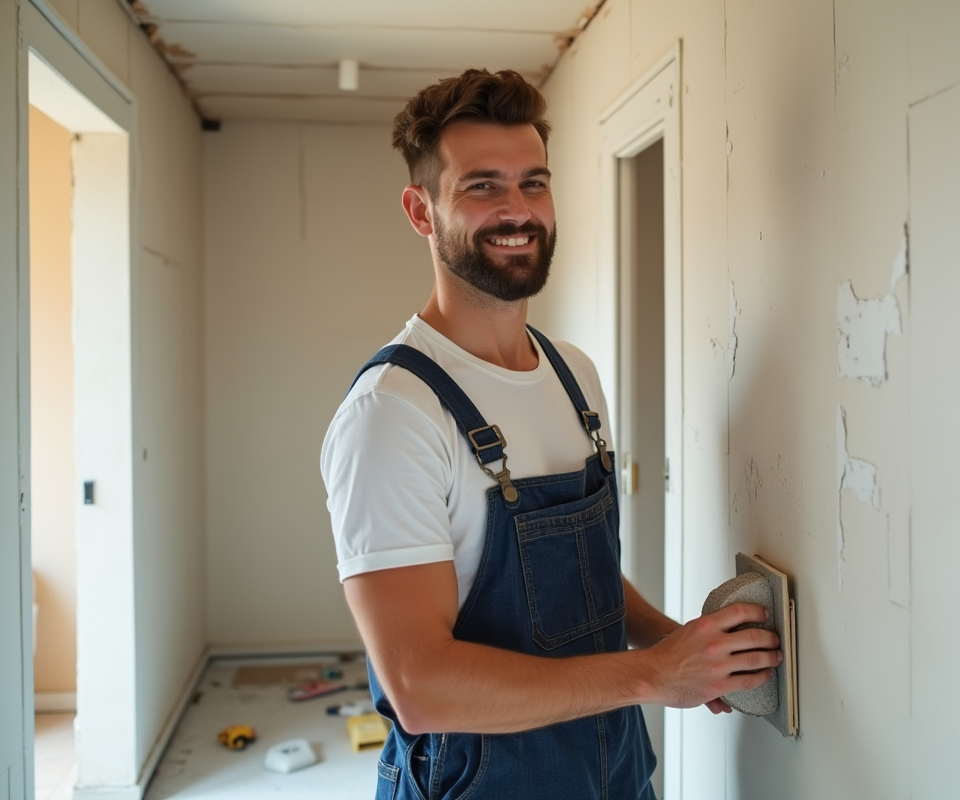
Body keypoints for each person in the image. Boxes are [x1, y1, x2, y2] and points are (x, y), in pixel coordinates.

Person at [320, 68, 781, 800]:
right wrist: (656, 676)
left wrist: (674, 644)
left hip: (615, 772)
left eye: (534, 182)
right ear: (420, 210)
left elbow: (575, 574)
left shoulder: (575, 375)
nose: (517, 209)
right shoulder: (394, 413)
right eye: (482, 186)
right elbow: (420, 685)